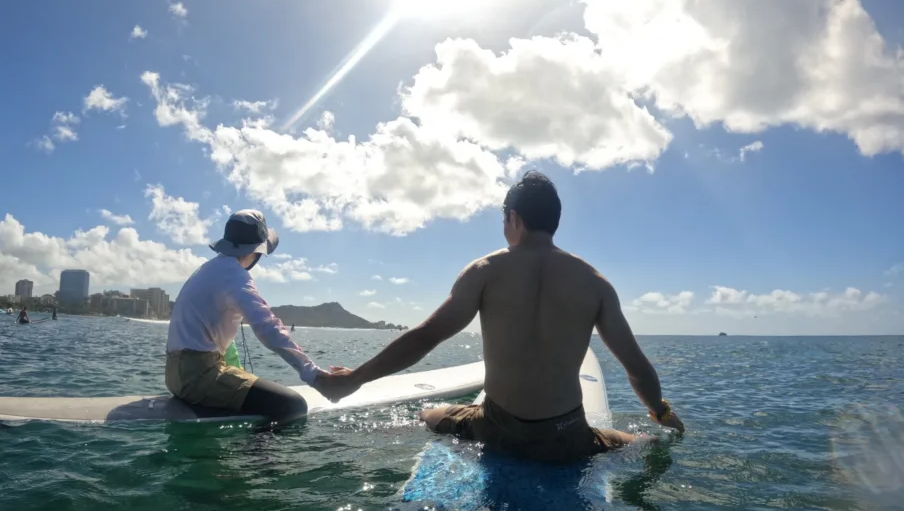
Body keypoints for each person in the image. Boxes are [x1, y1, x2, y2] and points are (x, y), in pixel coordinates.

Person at [325, 171, 685, 464]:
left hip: (497, 432)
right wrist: (661, 411)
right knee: (643, 441)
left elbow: (425, 336)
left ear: (513, 217)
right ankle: (652, 433)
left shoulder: (485, 271)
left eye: (503, 218)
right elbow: (636, 367)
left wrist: (355, 378)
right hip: (566, 437)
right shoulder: (595, 284)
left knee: (428, 415)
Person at [165, 209, 339, 427]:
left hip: (174, 376)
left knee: (261, 389)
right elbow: (269, 328)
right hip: (198, 379)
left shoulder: (208, 269)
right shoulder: (235, 276)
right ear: (256, 252)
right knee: (292, 405)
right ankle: (255, 459)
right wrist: (315, 376)